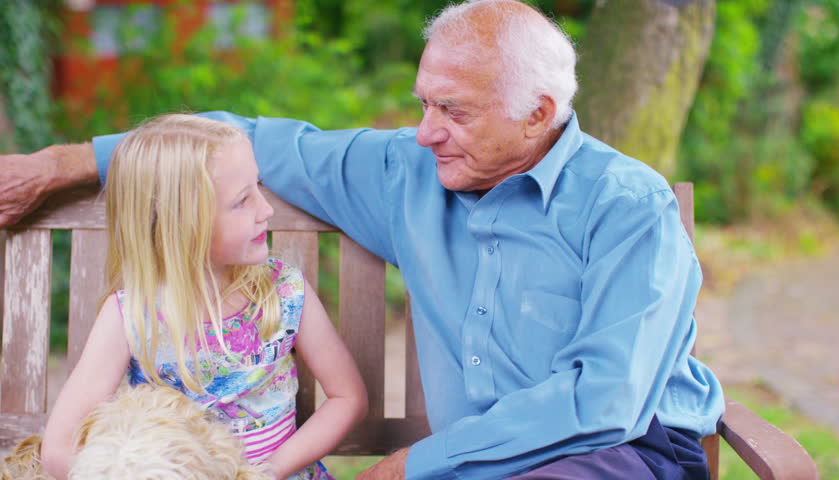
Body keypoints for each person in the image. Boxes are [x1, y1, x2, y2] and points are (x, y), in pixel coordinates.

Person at [1, 1, 725, 478]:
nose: (425, 130)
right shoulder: (409, 174)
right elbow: (242, 140)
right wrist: (59, 164)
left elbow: (602, 402)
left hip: (615, 450)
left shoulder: (627, 207)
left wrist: (419, 462)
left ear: (537, 113)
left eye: (454, 110)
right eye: (423, 102)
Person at [38, 114, 368, 480]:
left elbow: (347, 398)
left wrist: (266, 473)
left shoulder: (285, 292)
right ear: (184, 223)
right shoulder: (132, 315)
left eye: (259, 187)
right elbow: (57, 451)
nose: (267, 209)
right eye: (243, 200)